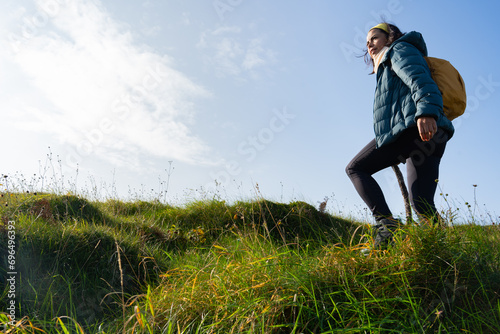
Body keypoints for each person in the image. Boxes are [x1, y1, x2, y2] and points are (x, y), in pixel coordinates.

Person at [345, 23, 455, 249]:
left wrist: (426, 112)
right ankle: (442, 253)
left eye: (374, 38)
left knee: (356, 168)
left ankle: (386, 226)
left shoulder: (399, 50)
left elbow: (419, 79)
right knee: (422, 203)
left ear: (391, 36)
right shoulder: (387, 63)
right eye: (367, 43)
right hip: (430, 134)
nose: (369, 45)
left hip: (413, 128)